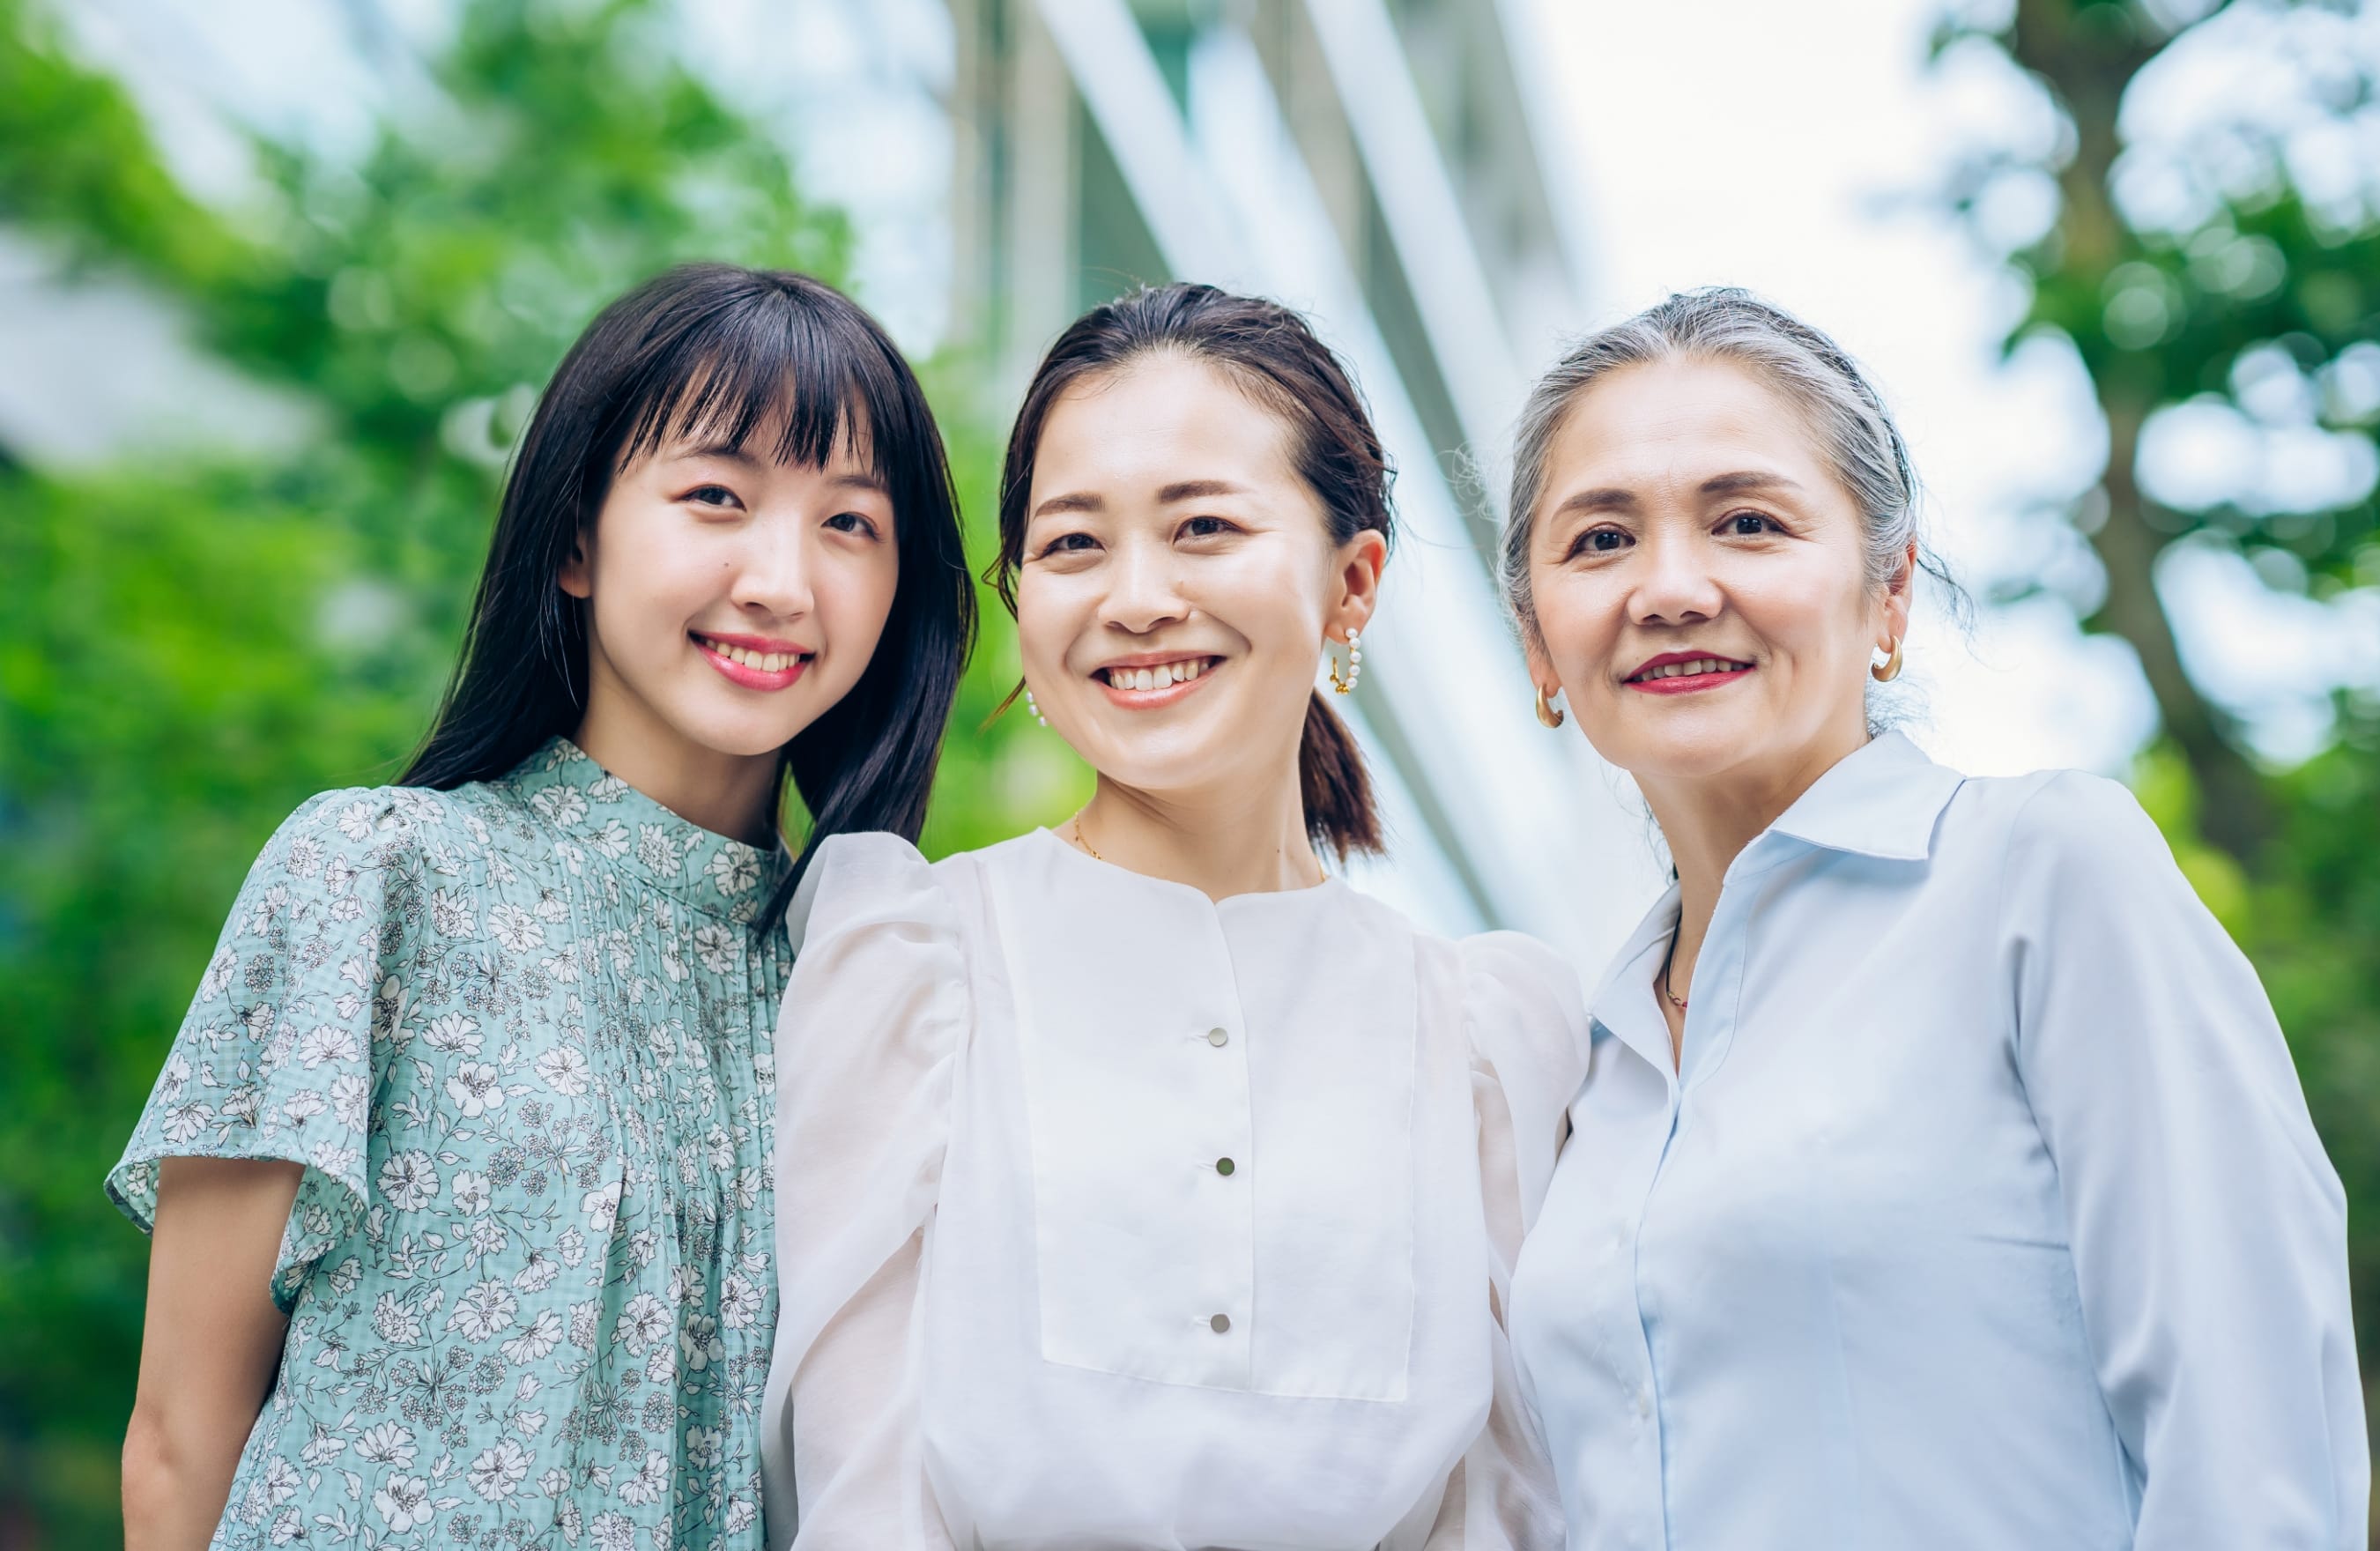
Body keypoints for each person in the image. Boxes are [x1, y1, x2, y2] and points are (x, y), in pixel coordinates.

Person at [113, 262, 975, 1551]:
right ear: (577, 539)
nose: (782, 582)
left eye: (850, 524)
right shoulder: (378, 875)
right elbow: (183, 1436)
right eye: (716, 499)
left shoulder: (868, 983)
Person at [1497, 287, 2369, 1548]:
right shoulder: (1587, 1062)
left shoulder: (2041, 877)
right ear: (1538, 641)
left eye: (1748, 522)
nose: (1671, 588)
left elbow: (2253, 1451)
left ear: (1890, 592)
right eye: (1599, 542)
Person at [760, 282, 1588, 1550]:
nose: (1136, 598)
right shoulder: (912, 960)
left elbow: (1513, 1507)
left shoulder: (1485, 1030)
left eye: (1203, 527)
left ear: (1350, 584)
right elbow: (859, 1496)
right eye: (1076, 544)